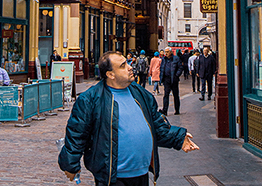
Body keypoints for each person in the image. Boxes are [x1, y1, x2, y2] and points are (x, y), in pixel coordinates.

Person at [58, 51, 199, 186]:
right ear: (110, 74)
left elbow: (156, 125)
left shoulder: (141, 93)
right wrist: (70, 165)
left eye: (127, 63)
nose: (130, 67)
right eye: (123, 66)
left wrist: (178, 138)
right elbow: (76, 134)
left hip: (141, 174)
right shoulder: (90, 99)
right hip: (112, 178)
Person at [160, 46, 183, 115]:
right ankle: (165, 110)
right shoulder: (164, 59)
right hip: (166, 79)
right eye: (165, 52)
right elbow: (162, 68)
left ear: (171, 52)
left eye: (167, 52)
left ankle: (177, 110)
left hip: (174, 79)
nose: (166, 53)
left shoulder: (176, 58)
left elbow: (180, 67)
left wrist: (177, 75)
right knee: (166, 95)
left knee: (175, 95)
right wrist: (161, 78)